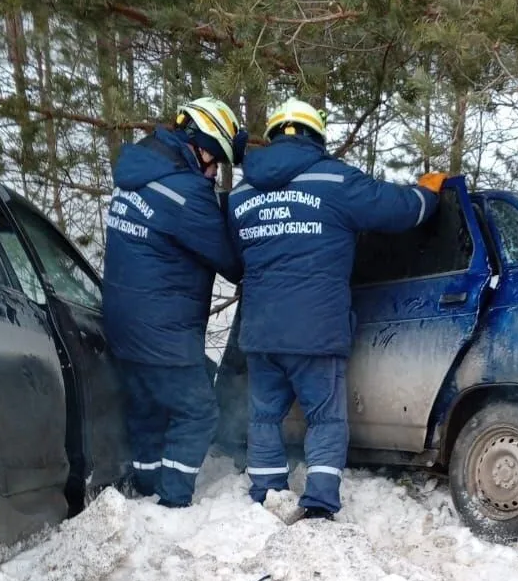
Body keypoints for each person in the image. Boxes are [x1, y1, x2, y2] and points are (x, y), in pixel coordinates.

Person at [226, 96, 446, 521]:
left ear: (272, 137)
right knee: (325, 418)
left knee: (264, 417)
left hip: (262, 330)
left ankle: (266, 496)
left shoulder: (241, 196)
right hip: (316, 328)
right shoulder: (335, 180)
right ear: (316, 137)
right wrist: (427, 193)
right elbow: (400, 211)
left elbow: (238, 258)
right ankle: (320, 503)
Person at [102, 96, 247, 508]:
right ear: (198, 145)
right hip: (163, 332)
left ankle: (147, 492)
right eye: (215, 158)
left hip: (123, 327)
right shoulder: (185, 193)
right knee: (200, 412)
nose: (216, 170)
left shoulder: (136, 178)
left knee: (148, 413)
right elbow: (231, 262)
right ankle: (172, 503)